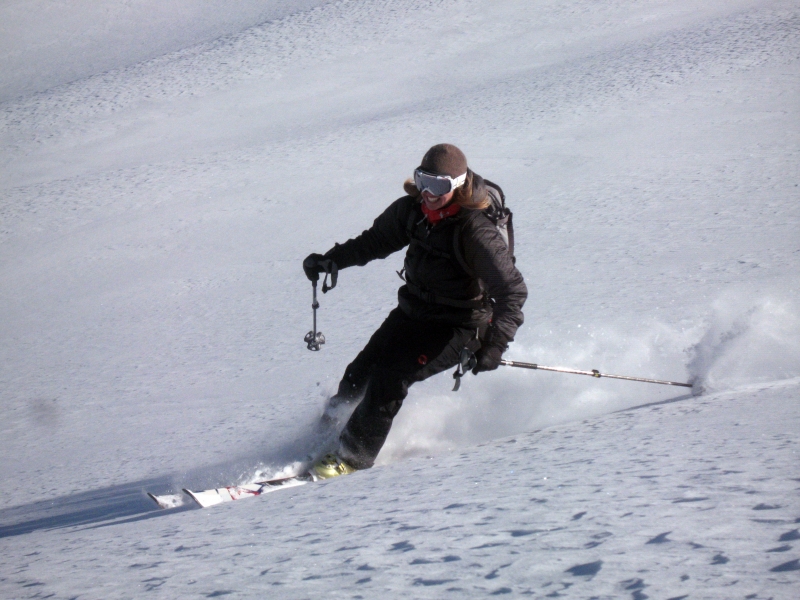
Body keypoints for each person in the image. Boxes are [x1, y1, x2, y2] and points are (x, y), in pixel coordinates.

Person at [303, 143, 527, 478]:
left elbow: (512, 292)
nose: (428, 193)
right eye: (423, 181)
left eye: (438, 186)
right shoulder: (413, 211)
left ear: (457, 186)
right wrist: (332, 260)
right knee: (359, 373)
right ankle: (325, 436)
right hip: (414, 312)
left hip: (458, 326)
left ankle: (351, 459)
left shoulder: (474, 231)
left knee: (390, 378)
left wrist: (493, 346)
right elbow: (375, 241)